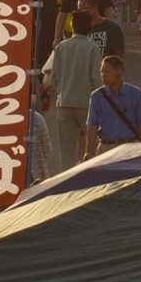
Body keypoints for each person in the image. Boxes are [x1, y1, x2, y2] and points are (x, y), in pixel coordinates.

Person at [42, 13, 104, 169]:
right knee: (93, 148)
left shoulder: (60, 47)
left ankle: (68, 186)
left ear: (72, 27)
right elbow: (97, 79)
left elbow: (53, 79)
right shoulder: (92, 49)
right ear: (90, 27)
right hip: (87, 104)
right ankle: (90, 182)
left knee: (67, 151)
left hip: (64, 103)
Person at [83, 55, 141, 155]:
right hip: (105, 148)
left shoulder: (135, 94)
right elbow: (92, 126)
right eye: (102, 71)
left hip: (130, 148)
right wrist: (88, 152)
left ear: (119, 74)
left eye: (107, 71)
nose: (103, 75)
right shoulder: (96, 97)